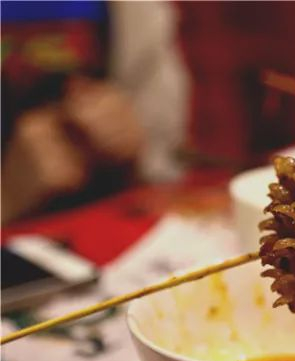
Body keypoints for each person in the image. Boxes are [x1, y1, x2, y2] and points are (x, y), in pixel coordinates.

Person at [1, 1, 189, 224]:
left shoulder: (134, 12)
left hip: (110, 223)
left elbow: (167, 160)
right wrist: (9, 197)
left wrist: (134, 155)